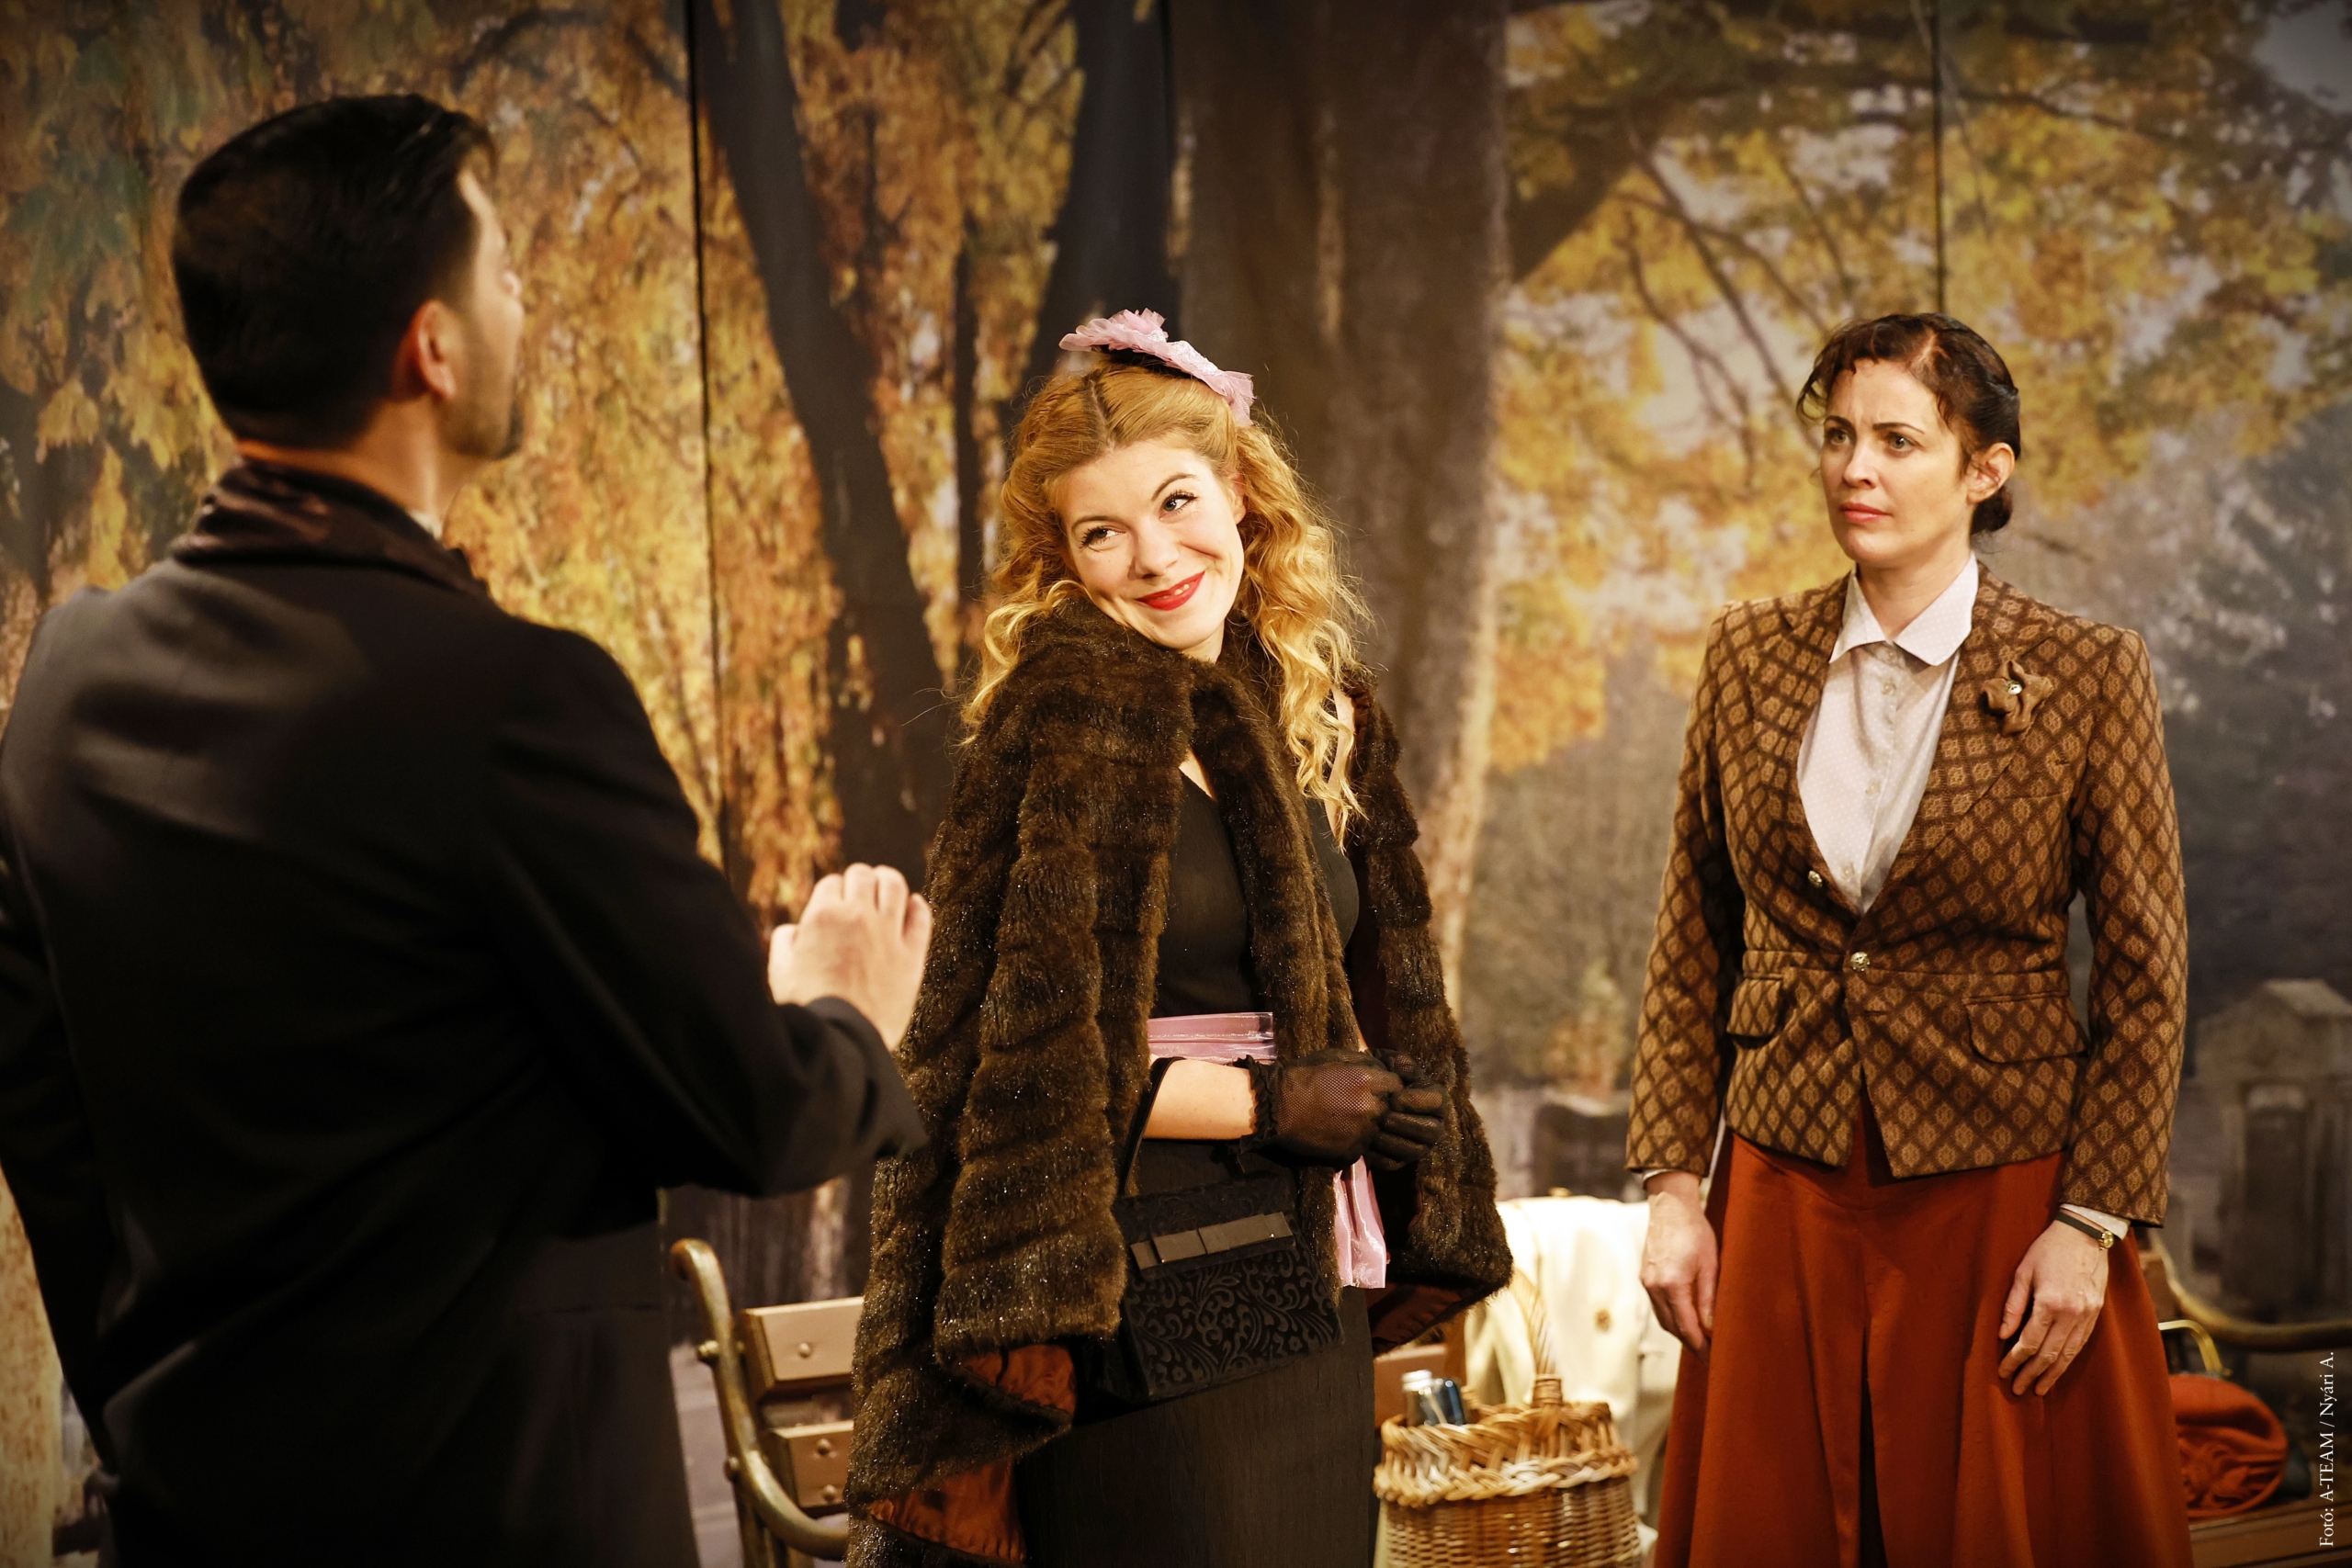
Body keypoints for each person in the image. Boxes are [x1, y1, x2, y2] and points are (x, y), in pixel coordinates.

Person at [0, 96, 927, 1567]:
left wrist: (148, 1422)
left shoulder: (68, 678)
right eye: (505, 271)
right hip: (506, 1518)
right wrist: (844, 1007)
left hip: (197, 1520)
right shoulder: (513, 697)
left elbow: (43, 1107)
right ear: (430, 349)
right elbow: (757, 1115)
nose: (526, 301)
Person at [843, 310, 1511, 1568]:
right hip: (1137, 1281)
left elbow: (1369, 979)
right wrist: (1269, 1103)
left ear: (1242, 492)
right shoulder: (1058, 728)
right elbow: (1004, 1067)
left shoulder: (1312, 711)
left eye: (1175, 502)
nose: (1154, 556)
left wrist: (1392, 1099)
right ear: (1065, 557)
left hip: (1307, 1273)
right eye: (1102, 531)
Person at [1627, 312, 2194, 1567]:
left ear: (1985, 469)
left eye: (1897, 441)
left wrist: (2092, 1223)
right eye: (1837, 436)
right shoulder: (1745, 653)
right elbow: (1691, 940)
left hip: (2002, 1192)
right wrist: (1672, 1189)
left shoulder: (2089, 671)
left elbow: (2148, 981)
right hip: (1782, 1180)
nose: (1854, 469)